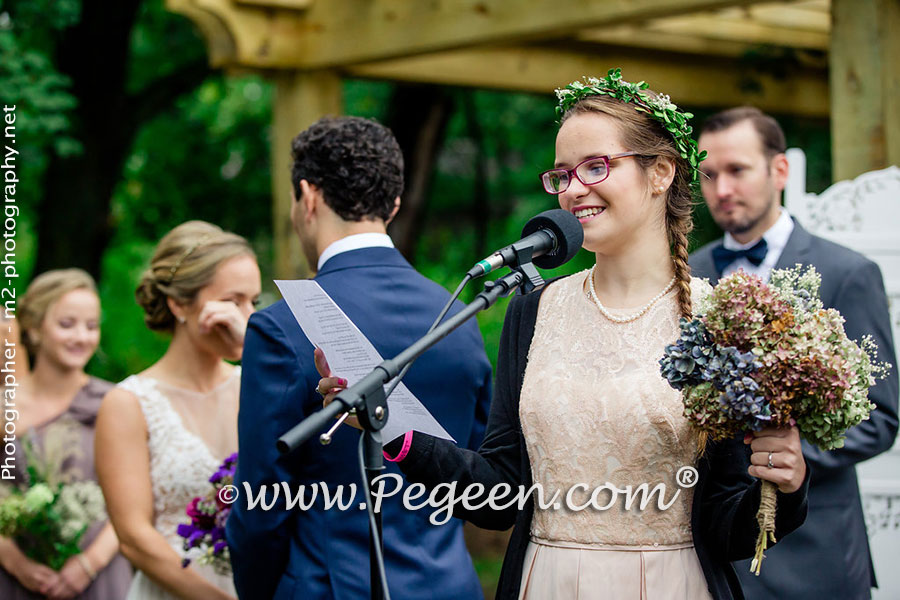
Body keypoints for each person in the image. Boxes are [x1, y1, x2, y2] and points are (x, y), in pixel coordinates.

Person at [318, 72, 811, 600]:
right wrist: (392, 432)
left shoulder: (723, 320)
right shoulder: (533, 310)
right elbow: (500, 495)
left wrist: (785, 487)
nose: (573, 190)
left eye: (595, 166)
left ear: (661, 172)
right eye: (561, 175)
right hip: (544, 582)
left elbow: (727, 526)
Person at [226, 116, 493, 600]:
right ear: (392, 204)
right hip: (448, 584)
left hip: (331, 587)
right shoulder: (458, 315)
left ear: (307, 196)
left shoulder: (281, 327)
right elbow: (476, 474)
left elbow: (261, 507)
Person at [690, 106, 899, 600]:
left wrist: (786, 455)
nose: (721, 190)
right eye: (709, 175)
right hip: (714, 550)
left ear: (778, 170)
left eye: (737, 170)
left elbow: (882, 416)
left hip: (815, 551)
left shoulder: (848, 272)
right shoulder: (689, 276)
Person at [95, 221, 261, 600]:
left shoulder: (255, 387)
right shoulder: (128, 403)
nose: (246, 316)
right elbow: (135, 539)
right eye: (233, 301)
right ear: (179, 303)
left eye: (254, 302)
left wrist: (255, 350)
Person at [0, 269, 132, 599]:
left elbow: (136, 503)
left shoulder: (116, 402)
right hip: (17, 578)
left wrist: (87, 565)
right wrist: (13, 560)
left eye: (91, 326)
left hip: (98, 578)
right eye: (66, 324)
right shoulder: (6, 407)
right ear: (33, 328)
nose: (81, 337)